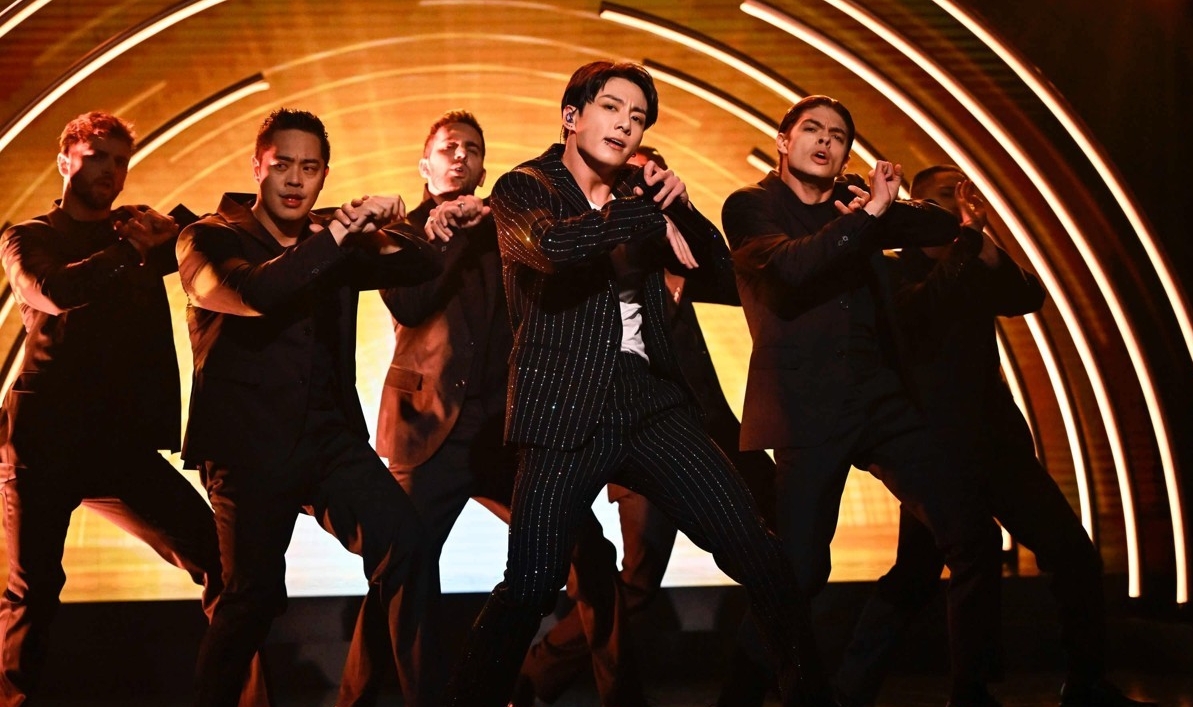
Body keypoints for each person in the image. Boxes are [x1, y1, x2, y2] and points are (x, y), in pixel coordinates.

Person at [442, 60, 828, 707]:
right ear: (572, 117)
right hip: (563, 405)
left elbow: (720, 273)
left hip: (649, 402)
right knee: (531, 584)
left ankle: (810, 696)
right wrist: (637, 215)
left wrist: (680, 207)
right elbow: (550, 249)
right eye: (612, 108)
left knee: (758, 553)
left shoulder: (644, 199)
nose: (626, 124)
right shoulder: (523, 186)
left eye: (639, 116)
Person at [337, 110, 639, 707]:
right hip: (430, 429)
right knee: (401, 569)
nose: (460, 156)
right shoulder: (402, 232)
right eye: (448, 148)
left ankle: (617, 697)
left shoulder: (511, 228)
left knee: (589, 555)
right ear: (425, 166)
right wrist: (444, 234)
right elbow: (410, 302)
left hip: (509, 431)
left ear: (482, 169)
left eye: (472, 150)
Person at [832, 165, 1157, 707]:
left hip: (996, 442)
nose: (959, 201)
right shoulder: (890, 269)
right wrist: (966, 244)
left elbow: (1027, 296)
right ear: (916, 204)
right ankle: (892, 690)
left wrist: (981, 243)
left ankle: (1084, 682)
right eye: (945, 194)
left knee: (1072, 554)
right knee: (922, 573)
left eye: (965, 192)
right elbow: (925, 309)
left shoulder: (974, 259)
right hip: (931, 448)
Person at [721, 95, 1004, 707]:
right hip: (805, 405)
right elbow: (791, 269)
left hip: (879, 399)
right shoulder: (750, 205)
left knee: (973, 533)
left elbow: (935, 227)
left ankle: (972, 692)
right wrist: (867, 214)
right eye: (812, 129)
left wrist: (888, 206)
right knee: (800, 573)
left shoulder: (856, 203)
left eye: (838, 135)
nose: (825, 141)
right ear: (783, 141)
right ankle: (738, 697)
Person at [176, 108, 433, 707]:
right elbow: (257, 292)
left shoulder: (332, 237)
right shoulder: (208, 236)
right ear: (257, 166)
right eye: (283, 165)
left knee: (408, 544)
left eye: (310, 168)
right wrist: (339, 234)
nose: (295, 180)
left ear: (323, 176)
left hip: (328, 442)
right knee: (251, 600)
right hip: (247, 449)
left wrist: (398, 225)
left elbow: (420, 265)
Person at [514, 146, 778, 706]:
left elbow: (734, 278)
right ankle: (535, 674)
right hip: (636, 427)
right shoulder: (603, 257)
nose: (641, 181)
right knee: (638, 579)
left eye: (651, 173)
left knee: (781, 547)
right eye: (632, 173)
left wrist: (680, 210)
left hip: (710, 428)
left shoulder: (674, 247)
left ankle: (767, 679)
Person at [0, 111, 225, 705]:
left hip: (118, 446)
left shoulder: (140, 231)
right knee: (30, 593)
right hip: (44, 442)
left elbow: (225, 232)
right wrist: (130, 247)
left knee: (223, 562)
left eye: (120, 160)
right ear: (65, 161)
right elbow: (54, 291)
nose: (111, 170)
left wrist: (169, 226)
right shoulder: (29, 236)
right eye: (97, 155)